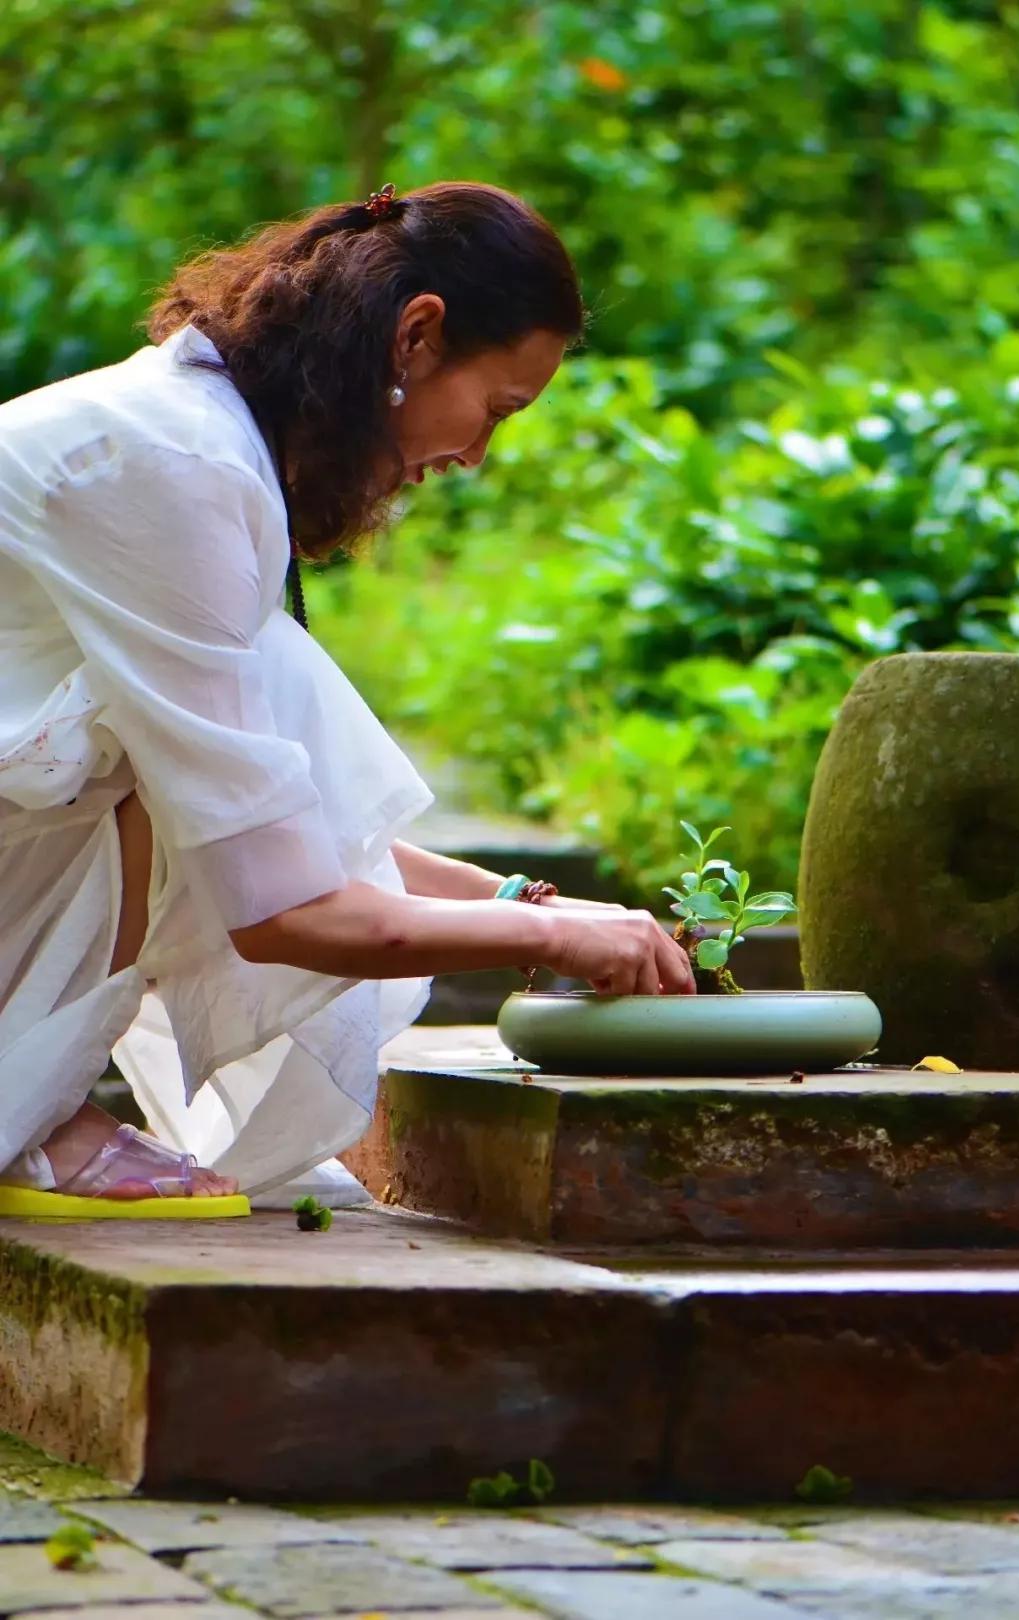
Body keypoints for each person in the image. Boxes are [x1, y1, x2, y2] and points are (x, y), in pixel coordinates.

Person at [0, 181, 694, 1216]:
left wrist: (524, 901)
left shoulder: (197, 441)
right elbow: (282, 906)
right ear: (416, 339)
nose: (473, 457)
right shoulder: (172, 467)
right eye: (494, 411)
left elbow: (269, 811)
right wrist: (550, 942)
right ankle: (32, 1123)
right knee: (229, 701)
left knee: (261, 679)